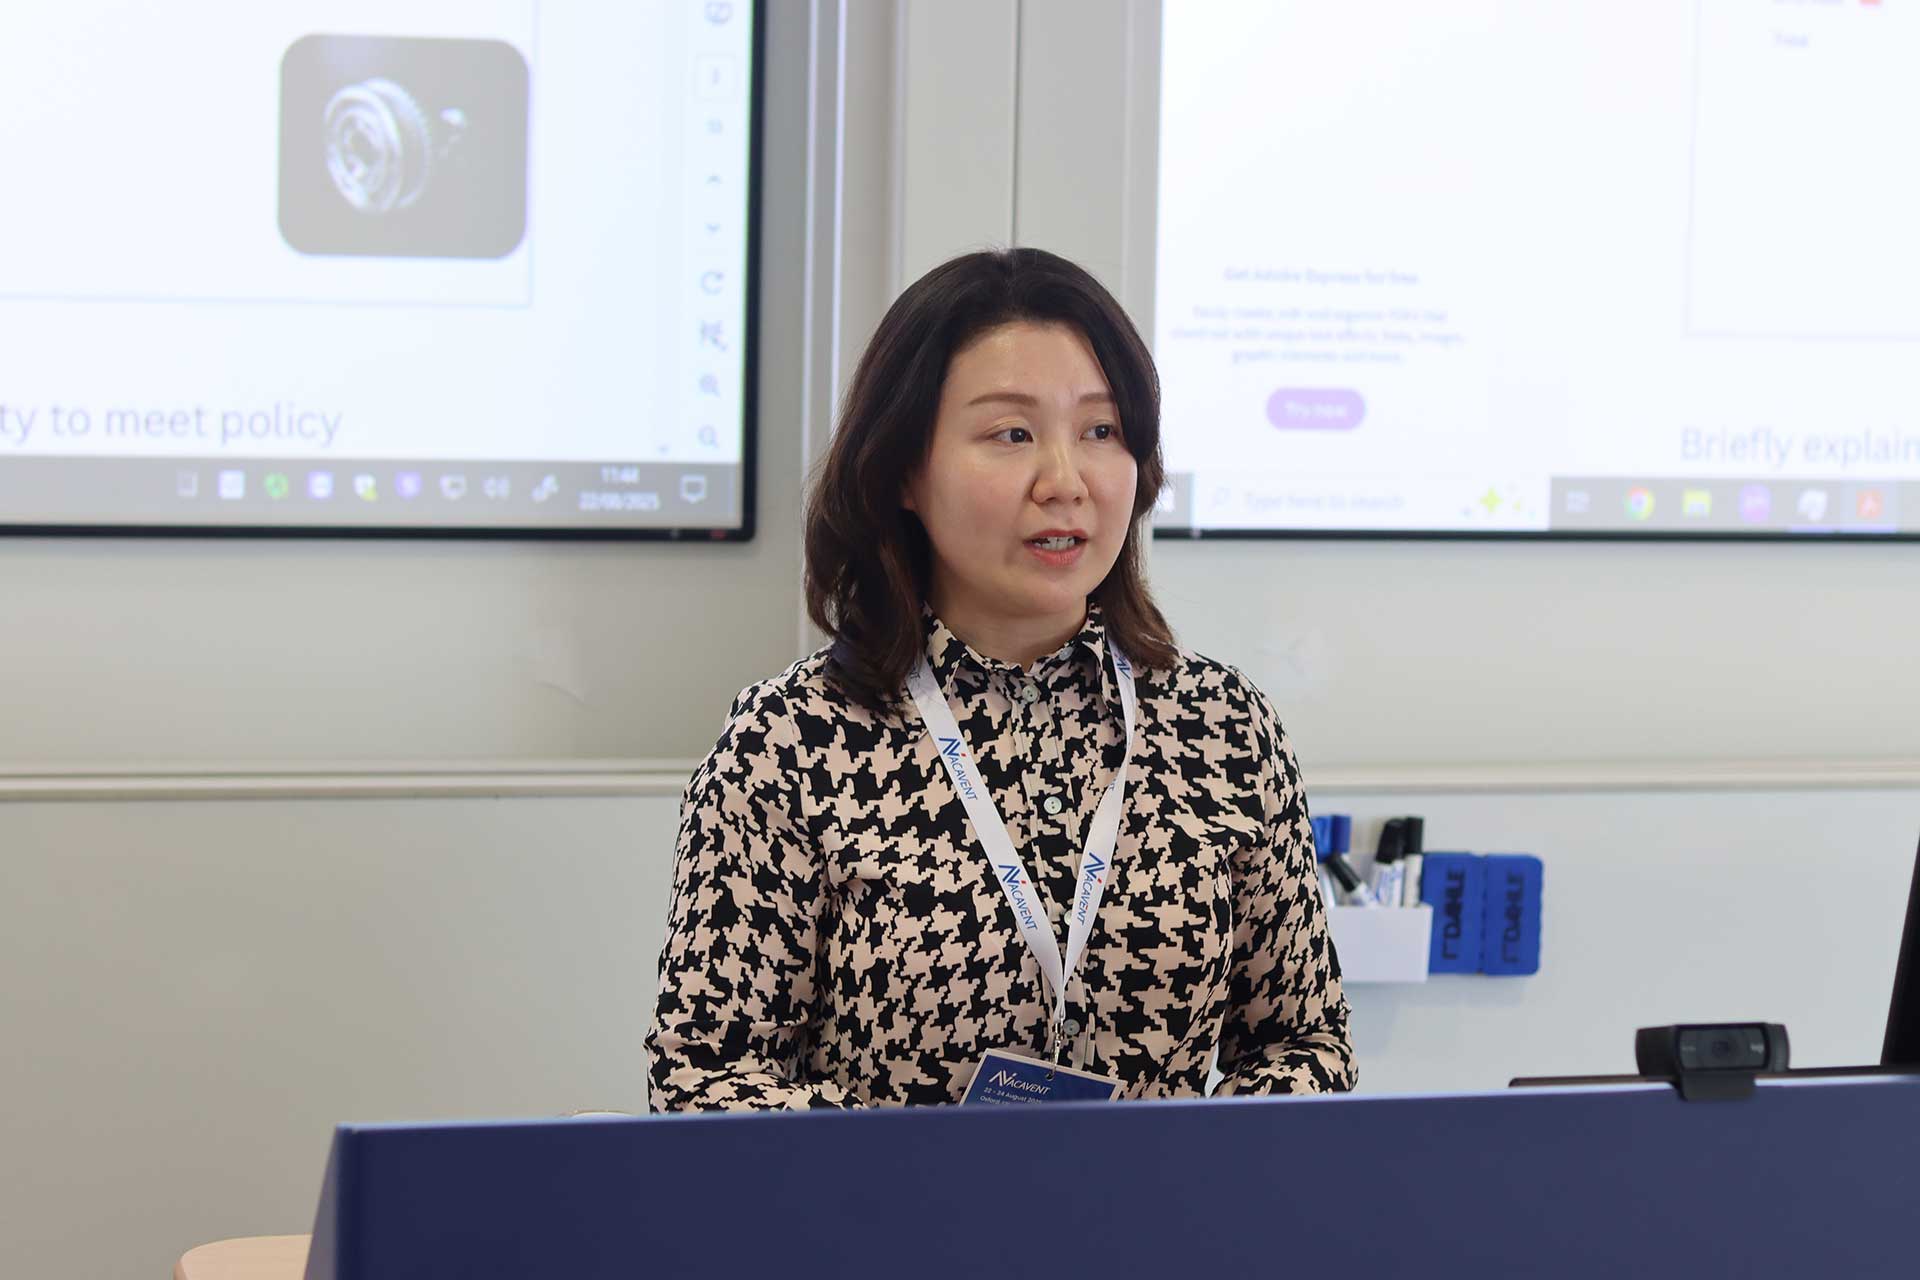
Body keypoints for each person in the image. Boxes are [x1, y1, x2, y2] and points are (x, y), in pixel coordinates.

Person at [646, 248, 1355, 1109]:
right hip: (883, 1202)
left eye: (1102, 431)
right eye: (1012, 434)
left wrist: (1188, 1163)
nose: (1066, 481)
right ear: (904, 471)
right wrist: (924, 1167)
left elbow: (1304, 1042)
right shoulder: (790, 742)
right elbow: (705, 1075)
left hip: (1161, 1201)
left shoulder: (1221, 725)